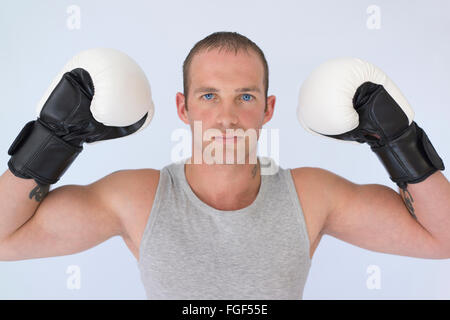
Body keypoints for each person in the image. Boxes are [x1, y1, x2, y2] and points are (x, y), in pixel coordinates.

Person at [0, 32, 448, 300]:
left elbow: (441, 239)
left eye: (245, 97)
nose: (227, 116)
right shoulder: (138, 198)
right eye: (209, 96)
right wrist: (52, 141)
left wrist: (396, 141)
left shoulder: (310, 196)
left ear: (268, 109)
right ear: (183, 107)